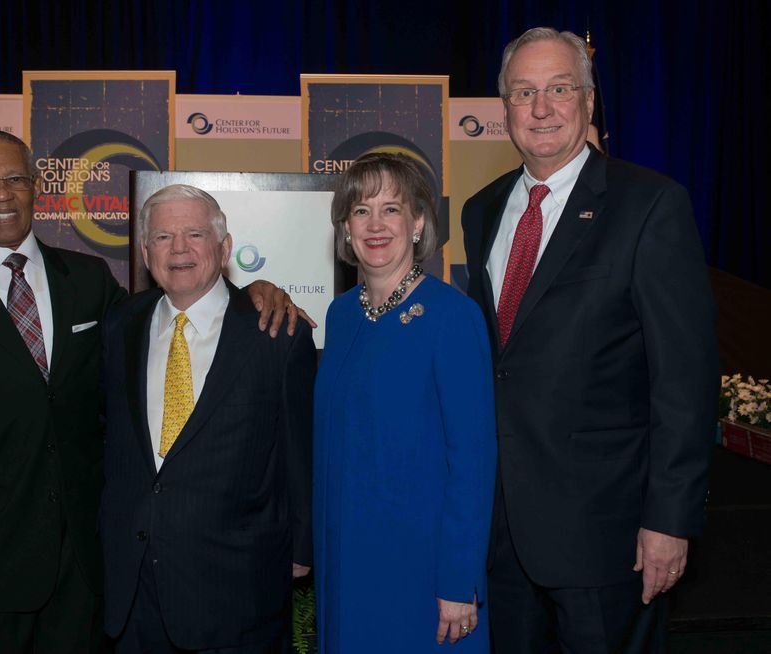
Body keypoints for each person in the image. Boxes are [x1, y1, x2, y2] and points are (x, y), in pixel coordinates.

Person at [0, 131, 302, 653]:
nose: (2, 194)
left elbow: (189, 303)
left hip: (89, 569)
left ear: (37, 187)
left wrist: (254, 294)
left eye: (15, 179)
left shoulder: (89, 282)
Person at [461, 27, 718, 653]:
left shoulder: (649, 204)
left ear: (589, 100)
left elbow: (683, 379)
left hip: (609, 537)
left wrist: (669, 521)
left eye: (558, 89)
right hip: (501, 535)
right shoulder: (481, 209)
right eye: (524, 93)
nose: (541, 108)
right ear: (505, 110)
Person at [100, 184, 316, 654]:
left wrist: (302, 552)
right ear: (144, 251)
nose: (178, 248)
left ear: (224, 247)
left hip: (237, 594)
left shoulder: (276, 335)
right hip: (134, 594)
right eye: (162, 237)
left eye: (194, 234)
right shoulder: (121, 326)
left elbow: (299, 454)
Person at [313, 153, 497, 652]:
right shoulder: (341, 314)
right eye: (360, 210)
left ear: (418, 222)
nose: (375, 225)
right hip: (345, 560)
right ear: (345, 228)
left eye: (391, 209)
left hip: (423, 571)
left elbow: (473, 464)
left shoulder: (452, 317)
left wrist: (459, 582)